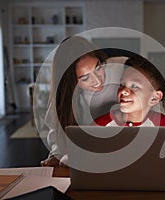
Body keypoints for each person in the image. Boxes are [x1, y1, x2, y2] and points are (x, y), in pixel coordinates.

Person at [94, 54, 165, 166]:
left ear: (154, 98)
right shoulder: (101, 124)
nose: (123, 91)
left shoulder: (162, 125)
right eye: (122, 84)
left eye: (134, 86)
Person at [40, 36, 125, 167]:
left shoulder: (121, 73)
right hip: (88, 160)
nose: (97, 81)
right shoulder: (65, 99)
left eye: (98, 68)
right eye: (85, 78)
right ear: (72, 81)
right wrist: (56, 155)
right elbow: (56, 133)